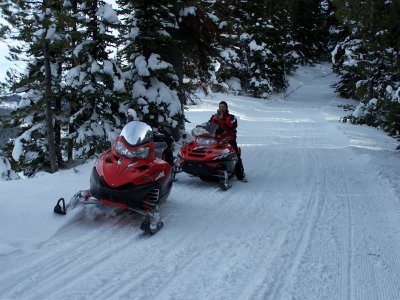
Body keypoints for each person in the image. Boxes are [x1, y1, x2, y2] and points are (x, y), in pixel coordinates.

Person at [210, 101, 247, 181]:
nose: (221, 108)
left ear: (226, 108)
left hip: (229, 139)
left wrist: (222, 119)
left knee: (235, 155)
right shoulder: (214, 116)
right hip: (217, 139)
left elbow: (231, 126)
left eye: (223, 107)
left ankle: (240, 174)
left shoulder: (231, 117)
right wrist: (215, 120)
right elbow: (210, 127)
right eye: (220, 107)